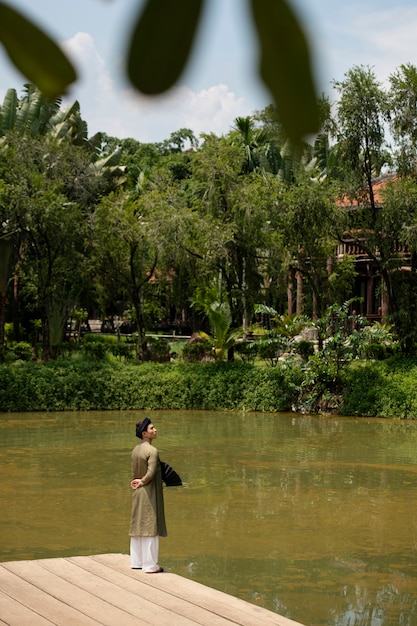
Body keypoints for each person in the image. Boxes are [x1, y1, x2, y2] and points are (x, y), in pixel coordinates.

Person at [129, 417, 167, 573]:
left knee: (138, 525)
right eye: (152, 428)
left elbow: (135, 472)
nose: (155, 430)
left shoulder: (135, 450)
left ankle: (136, 562)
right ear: (144, 433)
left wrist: (137, 482)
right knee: (151, 526)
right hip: (148, 491)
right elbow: (150, 473)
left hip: (137, 491)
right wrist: (143, 481)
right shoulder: (152, 451)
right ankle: (150, 565)